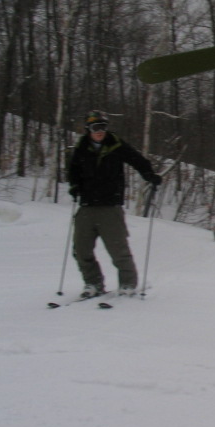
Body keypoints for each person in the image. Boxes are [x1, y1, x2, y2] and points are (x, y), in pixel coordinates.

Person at [67, 110, 162, 297]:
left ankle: (128, 284)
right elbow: (73, 171)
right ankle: (93, 283)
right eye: (95, 127)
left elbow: (137, 159)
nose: (100, 131)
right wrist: (74, 186)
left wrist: (149, 175)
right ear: (88, 129)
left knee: (118, 250)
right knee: (80, 249)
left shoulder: (115, 144)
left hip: (110, 206)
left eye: (103, 127)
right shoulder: (81, 148)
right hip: (87, 206)